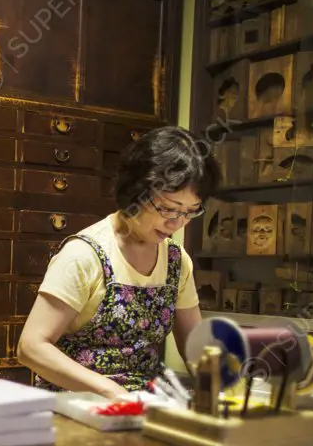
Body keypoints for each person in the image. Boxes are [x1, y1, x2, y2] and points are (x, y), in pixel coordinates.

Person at [16, 126, 219, 398]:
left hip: (146, 403)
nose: (177, 223)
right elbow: (31, 347)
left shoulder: (176, 261)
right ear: (136, 191)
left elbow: (195, 349)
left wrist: (220, 387)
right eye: (168, 208)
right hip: (78, 404)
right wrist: (110, 391)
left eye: (190, 212)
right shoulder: (84, 255)